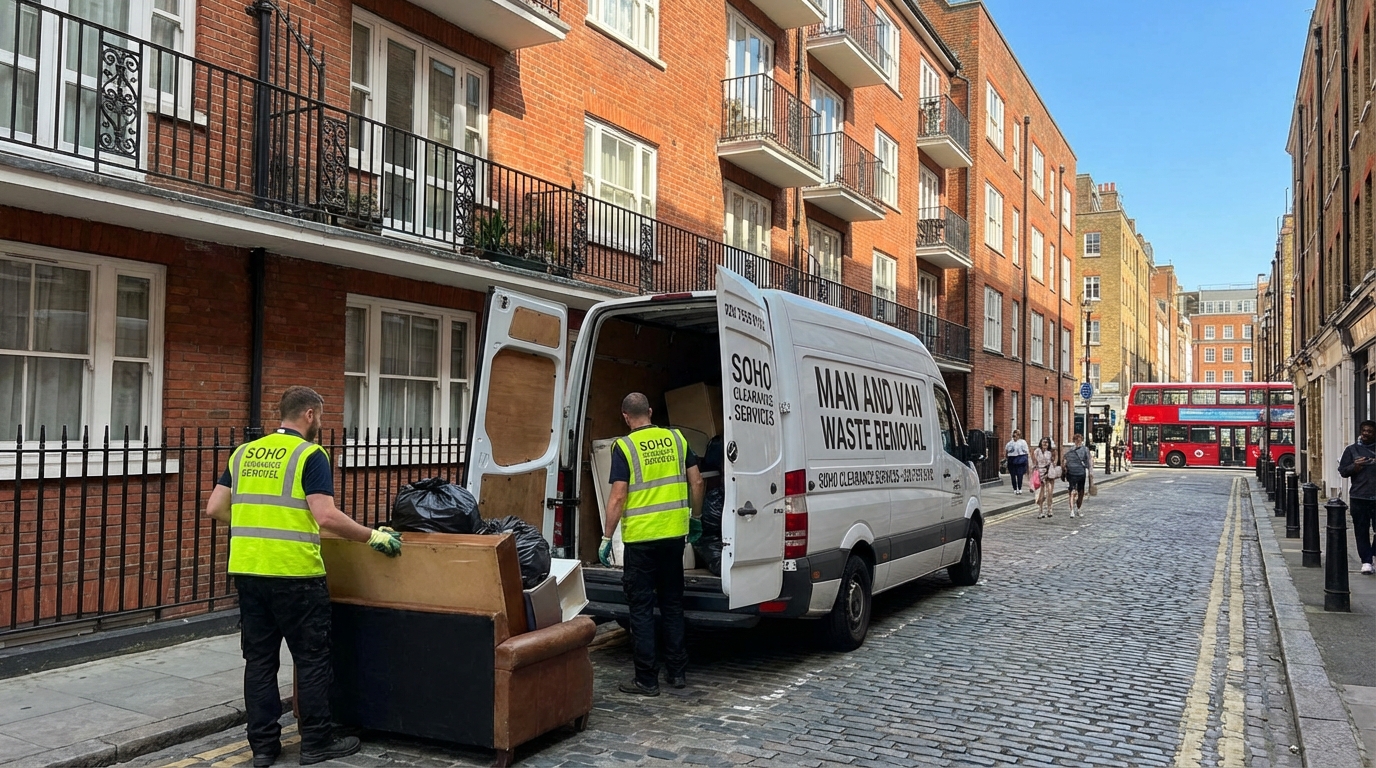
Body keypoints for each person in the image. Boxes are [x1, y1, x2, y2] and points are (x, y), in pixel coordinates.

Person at [205, 387, 402, 768]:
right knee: (311, 659)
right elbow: (325, 515)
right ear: (310, 414)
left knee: (259, 661)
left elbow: (215, 507)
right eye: (322, 417)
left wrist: (257, 522)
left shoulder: (243, 453)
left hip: (247, 570)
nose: (321, 425)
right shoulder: (311, 454)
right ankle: (316, 743)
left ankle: (263, 748)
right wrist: (374, 536)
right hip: (295, 572)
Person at [599, 392, 705, 695]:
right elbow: (696, 482)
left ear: (625, 416)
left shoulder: (625, 446)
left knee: (642, 610)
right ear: (650, 411)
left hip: (641, 542)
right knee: (672, 605)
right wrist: (695, 518)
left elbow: (618, 495)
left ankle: (646, 680)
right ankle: (677, 673)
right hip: (673, 538)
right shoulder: (676, 439)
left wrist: (607, 537)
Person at [1338, 420, 1376, 574]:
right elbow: (1343, 471)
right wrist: (1356, 466)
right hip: (1359, 496)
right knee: (1361, 530)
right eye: (1364, 431)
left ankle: (1372, 552)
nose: (1366, 434)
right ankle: (1366, 561)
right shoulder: (1352, 450)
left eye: (1370, 431)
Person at [1064, 433, 1094, 518]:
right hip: (1072, 473)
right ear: (1074, 441)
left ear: (1082, 440)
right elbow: (1066, 460)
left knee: (1081, 493)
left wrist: (1090, 473)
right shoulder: (1070, 450)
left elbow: (1089, 461)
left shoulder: (1085, 449)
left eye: (1079, 440)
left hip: (1081, 473)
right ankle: (1072, 511)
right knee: (1072, 491)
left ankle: (1078, 508)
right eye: (1076, 440)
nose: (1078, 442)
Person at [1031, 437, 1058, 519]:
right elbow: (1034, 462)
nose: (1045, 444)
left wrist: (1053, 465)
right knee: (1040, 494)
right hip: (1040, 474)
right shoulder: (1037, 451)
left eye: (1047, 442)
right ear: (1040, 443)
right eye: (1044, 442)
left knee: (1049, 493)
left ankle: (1049, 510)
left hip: (1049, 474)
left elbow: (1055, 461)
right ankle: (1040, 511)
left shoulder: (1051, 452)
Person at [1005, 430, 1030, 495]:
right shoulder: (1009, 443)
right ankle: (1015, 489)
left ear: (1019, 436)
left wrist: (1027, 460)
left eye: (1017, 435)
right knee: (1012, 476)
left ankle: (1019, 488)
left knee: (1020, 475)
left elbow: (1026, 452)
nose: (1015, 436)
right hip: (1012, 460)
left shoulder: (1023, 442)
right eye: (1014, 435)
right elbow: (1007, 452)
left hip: (1020, 460)